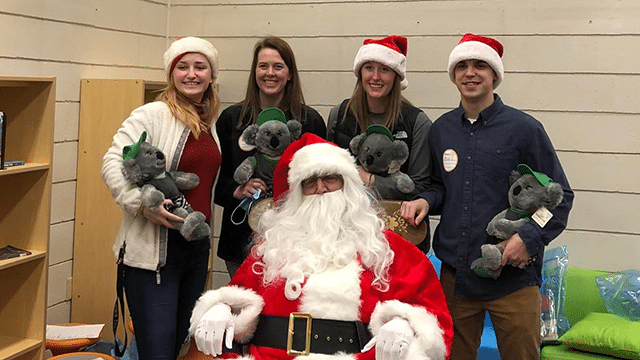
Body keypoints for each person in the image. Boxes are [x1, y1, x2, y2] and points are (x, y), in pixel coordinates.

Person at [188, 133, 453, 360]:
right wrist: (220, 307)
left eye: (330, 178)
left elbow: (433, 314)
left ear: (347, 185)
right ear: (298, 194)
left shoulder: (386, 248)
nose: (321, 188)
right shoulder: (273, 248)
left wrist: (407, 324)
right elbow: (238, 293)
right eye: (310, 182)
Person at [400, 33, 574, 360]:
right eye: (462, 66)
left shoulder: (525, 129)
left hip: (514, 281)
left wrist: (529, 236)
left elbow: (561, 196)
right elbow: (440, 186)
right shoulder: (442, 131)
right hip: (456, 279)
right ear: (453, 75)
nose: (470, 73)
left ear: (495, 74)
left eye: (480, 65)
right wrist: (426, 200)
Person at [102, 37, 222, 360]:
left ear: (211, 75)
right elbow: (112, 162)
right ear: (171, 74)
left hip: (194, 253)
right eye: (182, 67)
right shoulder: (153, 114)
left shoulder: (208, 121)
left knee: (175, 350)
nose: (191, 74)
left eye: (200, 67)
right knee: (157, 353)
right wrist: (140, 204)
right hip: (153, 259)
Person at [215, 36, 326, 277]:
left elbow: (323, 187)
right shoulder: (231, 119)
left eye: (278, 66)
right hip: (240, 243)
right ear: (254, 71)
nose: (270, 73)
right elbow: (218, 186)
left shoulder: (310, 122)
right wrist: (237, 190)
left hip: (297, 243)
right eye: (263, 66)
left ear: (290, 74)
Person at [327, 35, 432, 202]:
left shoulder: (417, 122)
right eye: (369, 68)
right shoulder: (340, 114)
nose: (375, 77)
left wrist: (371, 181)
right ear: (360, 73)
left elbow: (421, 188)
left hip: (397, 220)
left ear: (396, 76)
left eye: (384, 69)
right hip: (347, 217)